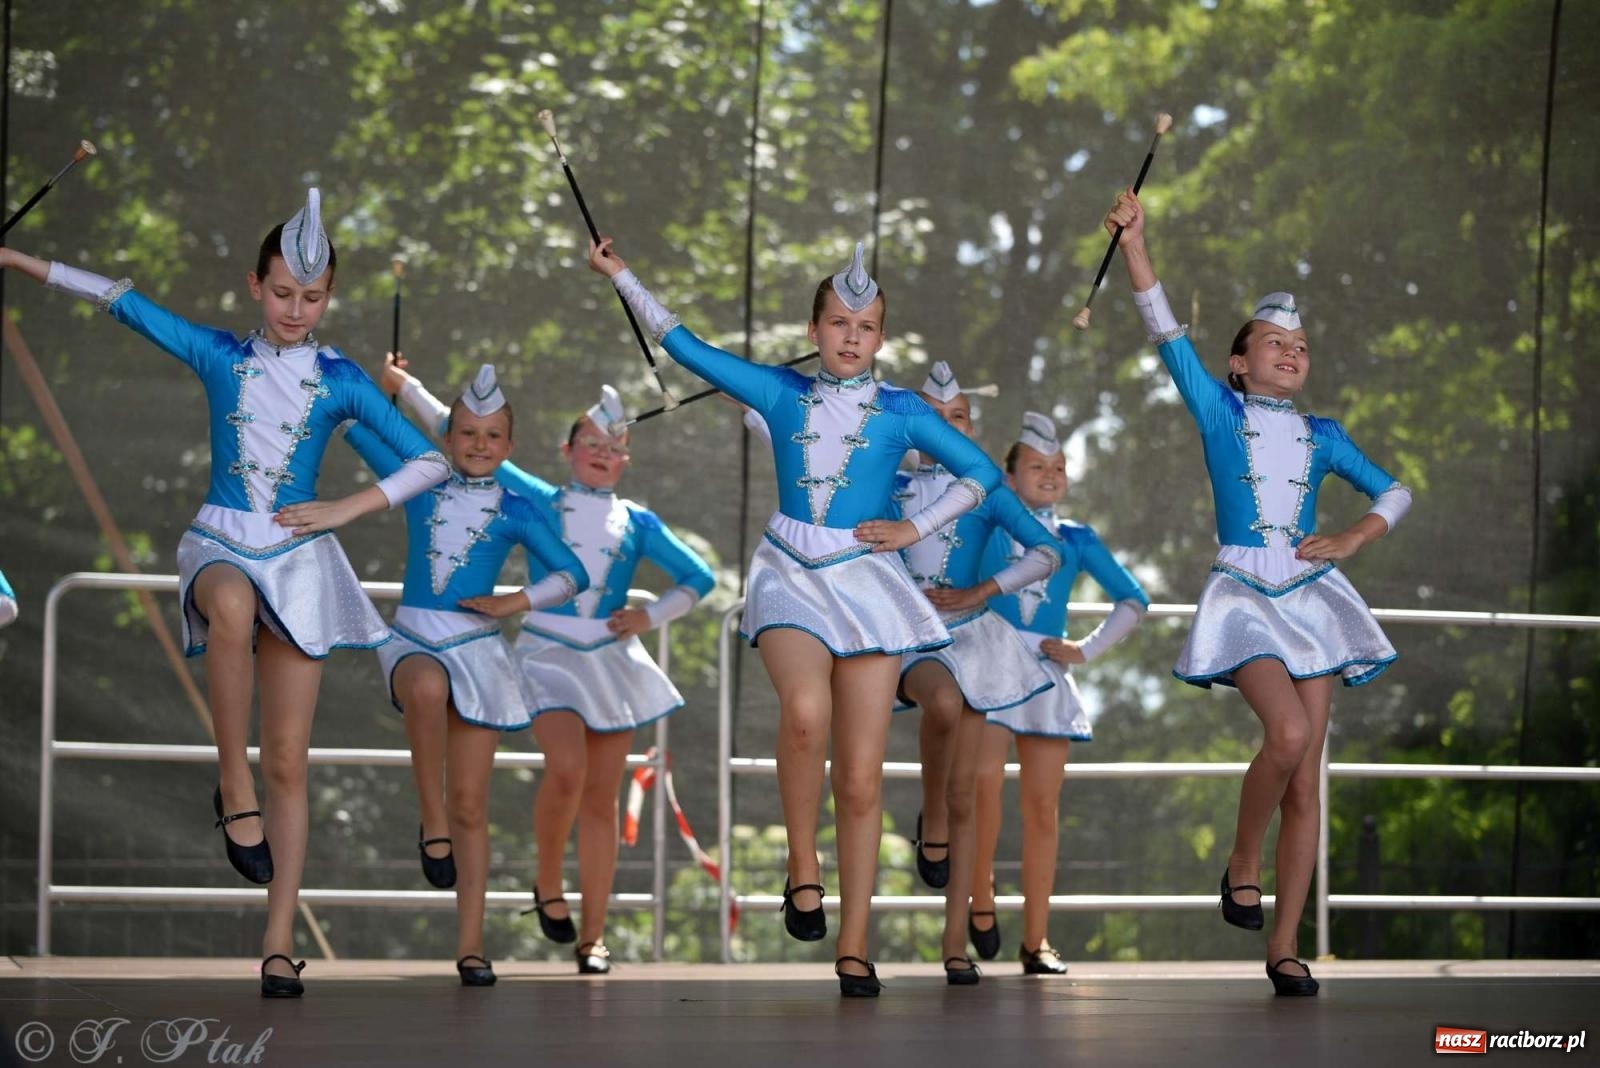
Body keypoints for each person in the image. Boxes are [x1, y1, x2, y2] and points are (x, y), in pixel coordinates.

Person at [0, 189, 450, 997]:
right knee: (232, 604)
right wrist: (13, 259)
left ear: (329, 298)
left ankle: (279, 941)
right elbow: (119, 299)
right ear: (254, 285)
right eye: (282, 292)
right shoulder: (221, 356)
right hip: (222, 540)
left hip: (304, 560)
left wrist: (343, 507)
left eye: (312, 297)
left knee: (291, 758)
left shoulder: (343, 380)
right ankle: (228, 780)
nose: (295, 309)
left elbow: (432, 462)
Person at [590, 237, 1002, 996]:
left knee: (863, 775)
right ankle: (801, 867)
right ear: (813, 331)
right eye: (839, 322)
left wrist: (913, 529)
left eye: (866, 325)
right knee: (806, 715)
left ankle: (853, 944)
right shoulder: (778, 392)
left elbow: (981, 471)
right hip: (789, 570)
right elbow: (683, 343)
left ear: (881, 336)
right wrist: (624, 272)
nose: (851, 336)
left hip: (873, 582)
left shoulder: (905, 410)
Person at [1107, 189, 1411, 996]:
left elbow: (1395, 494)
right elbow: (1163, 329)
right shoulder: (1217, 408)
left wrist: (1350, 538)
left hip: (1313, 596)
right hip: (1243, 592)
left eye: (1300, 346)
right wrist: (1137, 243)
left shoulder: (1325, 436)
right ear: (1239, 361)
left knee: (1307, 774)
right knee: (1284, 735)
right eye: (1273, 343)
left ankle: (1285, 948)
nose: (1290, 353)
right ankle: (1244, 859)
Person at [393, 366, 714, 976]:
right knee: (566, 769)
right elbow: (451, 425)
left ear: (627, 461)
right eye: (590, 443)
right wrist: (402, 384)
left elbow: (700, 577)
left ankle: (593, 936)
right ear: (566, 451)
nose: (602, 454)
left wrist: (650, 617)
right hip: (545, 654)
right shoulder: (538, 499)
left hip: (611, 661)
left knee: (601, 797)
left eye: (615, 447)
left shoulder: (638, 522)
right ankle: (547, 880)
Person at [347, 362, 588, 987]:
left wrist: (514, 603)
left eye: (491, 436)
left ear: (509, 447)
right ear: (447, 438)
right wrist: (377, 389)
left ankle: (472, 946)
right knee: (425, 689)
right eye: (466, 433)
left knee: (474, 805)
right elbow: (353, 422)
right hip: (416, 639)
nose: (478, 445)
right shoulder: (418, 481)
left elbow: (571, 575)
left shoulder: (519, 507)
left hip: (479, 650)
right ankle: (431, 823)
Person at [887, 361, 1060, 985]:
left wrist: (982, 589)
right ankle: (928, 815)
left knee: (972, 797)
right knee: (940, 707)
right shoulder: (886, 484)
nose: (944, 428)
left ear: (970, 427)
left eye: (956, 418)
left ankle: (954, 944)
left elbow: (1047, 553)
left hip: (978, 637)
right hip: (909, 638)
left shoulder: (987, 492)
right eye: (931, 420)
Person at [963, 412, 1148, 975]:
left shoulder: (1077, 539)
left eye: (1059, 468)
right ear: (1009, 475)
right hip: (988, 665)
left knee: (1043, 808)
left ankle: (1037, 939)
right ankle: (981, 896)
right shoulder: (983, 524)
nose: (1050, 475)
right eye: (1037, 466)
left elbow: (1133, 600)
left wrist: (1085, 650)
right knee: (981, 787)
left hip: (1045, 674)